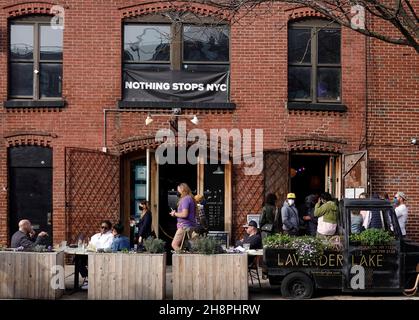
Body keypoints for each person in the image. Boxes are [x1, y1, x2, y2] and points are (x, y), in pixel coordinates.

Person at [78, 220, 114, 290]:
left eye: (105, 228)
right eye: (102, 227)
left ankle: (88, 279)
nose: (103, 229)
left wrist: (95, 248)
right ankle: (87, 277)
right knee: (77, 259)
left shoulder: (110, 236)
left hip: (100, 255)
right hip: (90, 253)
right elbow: (90, 244)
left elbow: (107, 247)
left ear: (109, 228)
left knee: (82, 260)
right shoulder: (96, 235)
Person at [170, 183, 197, 251]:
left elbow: (185, 214)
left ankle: (181, 258)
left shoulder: (185, 199)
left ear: (183, 190)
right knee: (187, 247)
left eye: (178, 190)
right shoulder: (190, 198)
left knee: (174, 244)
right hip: (190, 225)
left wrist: (175, 213)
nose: (177, 192)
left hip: (184, 226)